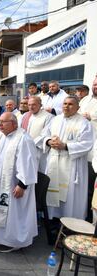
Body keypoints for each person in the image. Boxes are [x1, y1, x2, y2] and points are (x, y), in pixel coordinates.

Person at [0, 112, 38, 253]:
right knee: (2, 211)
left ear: (14, 124)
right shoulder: (3, 137)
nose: (0, 124)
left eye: (4, 122)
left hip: (15, 185)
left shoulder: (23, 139)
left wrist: (22, 185)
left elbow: (28, 163)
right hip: (1, 183)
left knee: (15, 213)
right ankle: (3, 238)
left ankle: (16, 240)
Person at [43, 95, 94, 219]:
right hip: (54, 162)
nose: (66, 106)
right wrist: (49, 141)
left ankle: (70, 221)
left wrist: (65, 146)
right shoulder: (56, 119)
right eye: (65, 103)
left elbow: (87, 144)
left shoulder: (84, 123)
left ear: (78, 107)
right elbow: (44, 134)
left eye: (70, 104)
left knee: (71, 196)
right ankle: (53, 218)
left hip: (72, 164)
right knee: (53, 190)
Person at [78, 76, 97, 221]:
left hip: (94, 154)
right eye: (94, 83)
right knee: (82, 187)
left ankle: (91, 220)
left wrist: (92, 117)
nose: (95, 86)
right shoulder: (85, 100)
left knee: (92, 188)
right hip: (81, 150)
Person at [20, 96, 54, 173]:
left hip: (39, 152)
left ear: (40, 105)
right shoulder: (27, 116)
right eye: (29, 105)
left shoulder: (48, 117)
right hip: (26, 149)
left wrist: (30, 143)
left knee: (39, 173)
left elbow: (46, 135)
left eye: (34, 105)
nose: (31, 107)